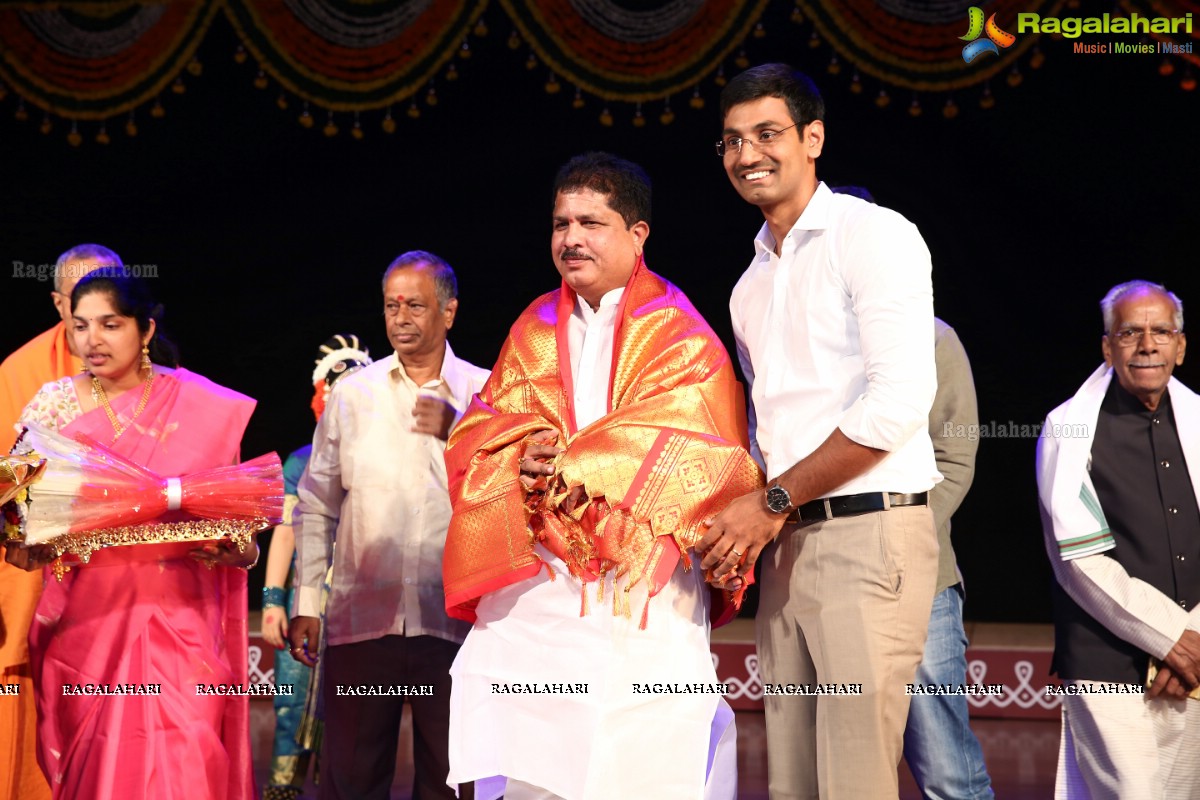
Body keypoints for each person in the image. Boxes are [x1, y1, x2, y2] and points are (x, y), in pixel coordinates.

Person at [442, 152, 761, 800]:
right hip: (542, 590)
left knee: (643, 754)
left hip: (642, 586)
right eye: (561, 224)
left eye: (591, 222)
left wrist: (576, 467)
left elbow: (709, 456)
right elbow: (477, 433)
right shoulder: (533, 327)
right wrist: (516, 455)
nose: (570, 239)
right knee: (534, 759)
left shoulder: (681, 334)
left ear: (637, 234)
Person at [701, 64, 941, 798]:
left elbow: (897, 403)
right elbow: (765, 433)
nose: (748, 155)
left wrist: (769, 503)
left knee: (854, 782)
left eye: (767, 134)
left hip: (867, 539)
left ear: (814, 138)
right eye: (733, 141)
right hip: (785, 550)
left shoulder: (872, 236)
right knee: (795, 785)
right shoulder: (750, 285)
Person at [2, 267, 259, 800]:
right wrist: (25, 542)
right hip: (86, 622)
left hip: (182, 618)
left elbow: (238, 525)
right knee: (100, 769)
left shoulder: (198, 407)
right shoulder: (53, 407)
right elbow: (19, 525)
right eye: (80, 326)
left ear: (144, 330)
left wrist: (239, 549)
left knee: (185, 750)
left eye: (110, 324)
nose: (92, 339)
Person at [289, 251, 487, 800]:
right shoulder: (354, 395)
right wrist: (307, 602)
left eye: (415, 305)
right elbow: (316, 503)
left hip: (455, 626)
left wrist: (461, 433)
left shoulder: (485, 394)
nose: (400, 317)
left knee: (451, 783)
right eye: (391, 305)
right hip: (362, 623)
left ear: (449, 311)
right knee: (351, 779)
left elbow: (508, 501)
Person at [1037, 279, 1199, 799]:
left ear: (1181, 344)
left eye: (1161, 331)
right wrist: (1175, 641)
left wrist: (1192, 645)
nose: (1147, 344)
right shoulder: (1068, 429)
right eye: (1130, 332)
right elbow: (1079, 563)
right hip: (1107, 659)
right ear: (1108, 347)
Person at [0, 244, 112, 800]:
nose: (91, 322)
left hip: (116, 567)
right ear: (57, 304)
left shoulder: (151, 370)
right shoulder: (19, 374)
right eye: (77, 303)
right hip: (35, 566)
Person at [260, 334, 372, 800]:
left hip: (365, 602)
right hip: (308, 598)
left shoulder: (380, 458)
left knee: (356, 713)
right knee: (291, 705)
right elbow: (286, 532)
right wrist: (271, 602)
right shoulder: (302, 461)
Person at [905, 317, 994, 799]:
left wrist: (897, 537)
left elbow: (955, 456)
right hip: (826, 580)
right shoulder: (809, 325)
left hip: (924, 584)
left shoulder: (932, 336)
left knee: (946, 772)